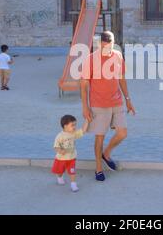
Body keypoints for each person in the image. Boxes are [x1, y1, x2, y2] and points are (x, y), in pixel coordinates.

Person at [80, 31, 136, 182]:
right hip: (98, 104)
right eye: (104, 47)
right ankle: (98, 168)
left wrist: (128, 99)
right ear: (99, 44)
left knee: (122, 133)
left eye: (109, 46)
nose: (106, 50)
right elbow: (84, 84)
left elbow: (121, 78)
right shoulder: (90, 59)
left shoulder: (117, 55)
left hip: (117, 101)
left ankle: (107, 153)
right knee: (100, 137)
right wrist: (85, 107)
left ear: (113, 43)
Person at [51, 115, 89, 192]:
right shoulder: (60, 136)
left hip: (71, 158)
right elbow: (55, 146)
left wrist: (87, 120)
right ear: (65, 126)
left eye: (75, 125)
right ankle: (59, 177)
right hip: (61, 158)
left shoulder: (73, 133)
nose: (74, 127)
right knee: (60, 171)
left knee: (72, 172)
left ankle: (73, 184)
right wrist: (60, 151)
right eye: (72, 125)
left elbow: (83, 130)